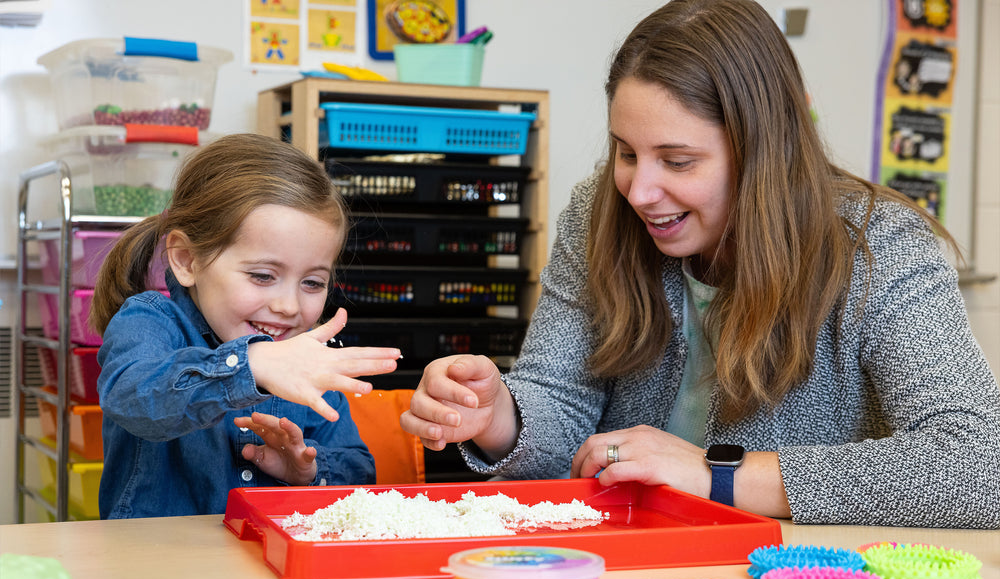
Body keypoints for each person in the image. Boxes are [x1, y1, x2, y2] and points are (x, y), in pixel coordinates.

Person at [400, 0, 1000, 529]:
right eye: (626, 152)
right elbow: (560, 405)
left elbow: (978, 463)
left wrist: (717, 476)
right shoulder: (597, 213)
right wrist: (500, 416)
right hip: (628, 569)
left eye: (679, 161)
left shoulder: (879, 245)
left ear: (764, 151)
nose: (639, 192)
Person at [90, 133, 403, 519]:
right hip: (156, 570)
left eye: (312, 283)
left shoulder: (306, 358)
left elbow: (359, 469)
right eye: (262, 276)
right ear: (187, 260)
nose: (288, 307)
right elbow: (133, 399)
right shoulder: (149, 321)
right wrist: (250, 366)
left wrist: (308, 471)